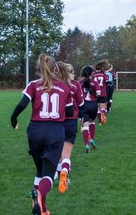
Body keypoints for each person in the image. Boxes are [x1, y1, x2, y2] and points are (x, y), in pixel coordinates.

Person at [10, 54, 73, 215]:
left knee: (40, 171)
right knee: (49, 176)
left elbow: (22, 103)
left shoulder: (33, 85)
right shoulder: (65, 87)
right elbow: (70, 112)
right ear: (56, 69)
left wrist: (14, 118)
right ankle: (38, 194)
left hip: (35, 131)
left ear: (39, 69)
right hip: (54, 131)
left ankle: (42, 208)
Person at [56, 62, 84, 194]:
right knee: (66, 153)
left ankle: (55, 173)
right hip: (71, 121)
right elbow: (81, 103)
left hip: (56, 121)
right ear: (71, 72)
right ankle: (64, 173)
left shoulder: (55, 84)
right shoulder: (76, 84)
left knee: (56, 150)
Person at [79, 66, 101, 153]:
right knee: (92, 122)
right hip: (93, 104)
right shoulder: (94, 83)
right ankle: (92, 139)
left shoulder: (79, 83)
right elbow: (98, 93)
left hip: (84, 104)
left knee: (85, 125)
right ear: (91, 73)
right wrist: (95, 96)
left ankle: (86, 144)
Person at [93, 60, 110, 125]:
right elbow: (108, 82)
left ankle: (99, 121)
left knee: (97, 107)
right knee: (103, 106)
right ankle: (104, 119)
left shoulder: (93, 75)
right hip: (103, 92)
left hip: (96, 93)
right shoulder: (103, 75)